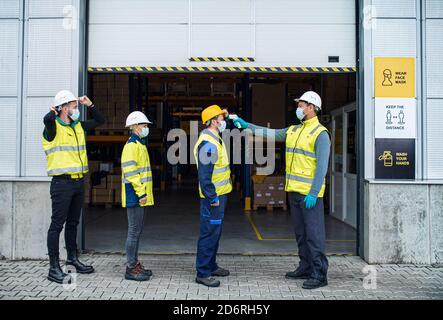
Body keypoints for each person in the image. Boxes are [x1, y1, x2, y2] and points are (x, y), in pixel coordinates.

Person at [232, 91, 331, 289]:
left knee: (314, 235)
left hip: (309, 195)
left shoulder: (320, 134)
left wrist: (313, 192)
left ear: (311, 107)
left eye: (301, 105)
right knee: (301, 234)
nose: (298, 108)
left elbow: (322, 166)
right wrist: (246, 125)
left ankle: (319, 274)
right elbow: (270, 133)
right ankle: (305, 267)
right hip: (294, 192)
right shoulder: (294, 130)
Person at [42, 90, 105, 284]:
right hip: (62, 183)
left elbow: (100, 121)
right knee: (56, 225)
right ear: (63, 108)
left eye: (77, 106)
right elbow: (46, 120)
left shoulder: (78, 126)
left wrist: (90, 104)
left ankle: (72, 259)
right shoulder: (52, 128)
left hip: (78, 182)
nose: (77, 109)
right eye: (74, 106)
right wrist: (53, 112)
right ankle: (53, 268)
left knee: (73, 224)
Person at [193, 105, 232, 287]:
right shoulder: (208, 143)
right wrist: (212, 197)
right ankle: (202, 273)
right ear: (213, 121)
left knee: (215, 232)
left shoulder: (215, 138)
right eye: (221, 118)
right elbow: (204, 176)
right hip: (213, 198)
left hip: (219, 194)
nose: (224, 120)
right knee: (208, 233)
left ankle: (211, 265)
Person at [121, 111, 154, 281]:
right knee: (133, 231)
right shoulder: (131, 146)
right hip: (135, 195)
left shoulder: (139, 144)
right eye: (143, 125)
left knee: (137, 231)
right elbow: (132, 173)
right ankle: (130, 267)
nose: (145, 128)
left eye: (146, 125)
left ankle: (134, 263)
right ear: (134, 127)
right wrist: (141, 193)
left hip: (140, 194)